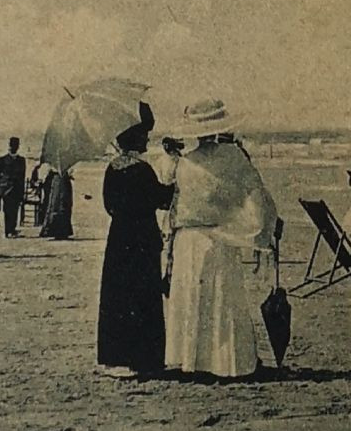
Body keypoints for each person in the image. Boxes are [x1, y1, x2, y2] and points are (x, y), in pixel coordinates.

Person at [165, 98, 281, 379]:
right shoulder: (233, 158)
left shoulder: (185, 163)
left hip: (187, 239)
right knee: (222, 301)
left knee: (192, 300)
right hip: (218, 237)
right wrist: (260, 230)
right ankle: (226, 363)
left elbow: (174, 204)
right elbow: (256, 195)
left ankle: (189, 361)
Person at [98, 104, 172, 376]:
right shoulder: (142, 169)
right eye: (144, 135)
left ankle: (117, 357)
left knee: (118, 295)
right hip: (142, 238)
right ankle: (145, 358)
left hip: (119, 237)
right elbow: (160, 200)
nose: (147, 139)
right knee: (143, 295)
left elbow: (109, 205)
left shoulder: (112, 168)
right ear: (135, 138)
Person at [0, 137, 27, 238]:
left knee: (15, 209)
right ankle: (7, 230)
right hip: (6, 189)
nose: (13, 147)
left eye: (15, 145)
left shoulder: (21, 160)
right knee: (7, 210)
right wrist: (1, 186)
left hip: (17, 188)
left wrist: (22, 191)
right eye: (12, 145)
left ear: (18, 147)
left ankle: (12, 229)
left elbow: (22, 176)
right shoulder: (3, 160)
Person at [39, 163, 75, 239]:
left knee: (64, 205)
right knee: (56, 205)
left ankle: (62, 231)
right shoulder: (53, 162)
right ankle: (55, 231)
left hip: (63, 182)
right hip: (58, 181)